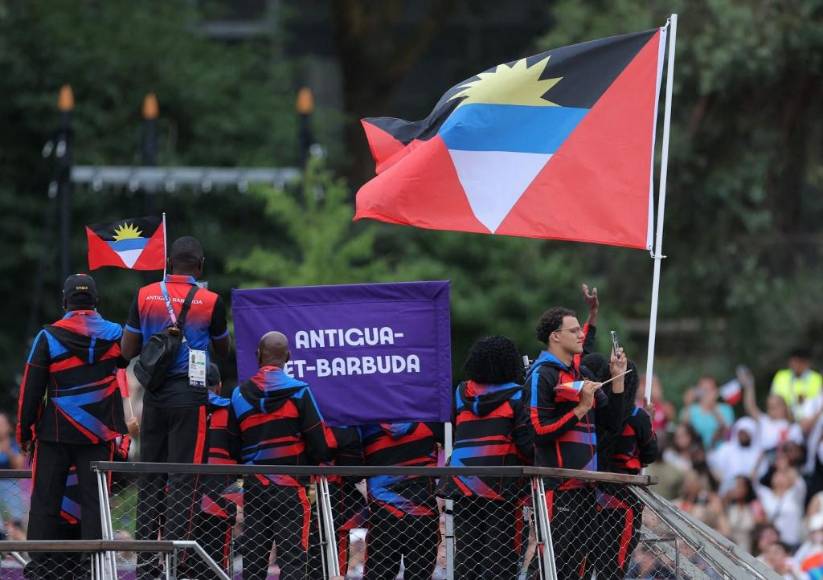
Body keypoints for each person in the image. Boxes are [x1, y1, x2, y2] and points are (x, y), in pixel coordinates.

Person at [120, 236, 230, 579]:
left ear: (168, 263)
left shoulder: (144, 295)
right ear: (201, 266)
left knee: (150, 478)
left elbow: (128, 349)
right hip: (190, 396)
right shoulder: (211, 300)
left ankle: (146, 565)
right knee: (184, 479)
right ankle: (178, 563)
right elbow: (222, 351)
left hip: (153, 397)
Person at [16, 274, 127, 579]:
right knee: (95, 504)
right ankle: (90, 569)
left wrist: (24, 434)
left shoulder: (48, 337)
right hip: (98, 435)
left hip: (55, 433)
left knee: (45, 502)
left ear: (64, 302)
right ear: (97, 302)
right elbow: (127, 362)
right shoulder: (116, 335)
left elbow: (31, 391)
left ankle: (40, 569)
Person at [212, 331, 337, 580]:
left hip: (255, 488)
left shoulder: (238, 394)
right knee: (294, 562)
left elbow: (232, 447)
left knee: (254, 563)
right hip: (291, 488)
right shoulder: (300, 392)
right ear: (288, 357)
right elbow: (321, 445)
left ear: (258, 356)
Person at [525, 297, 627, 579]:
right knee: (548, 568)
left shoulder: (582, 373)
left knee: (575, 569)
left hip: (585, 487)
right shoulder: (541, 374)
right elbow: (538, 432)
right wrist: (581, 408)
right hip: (556, 487)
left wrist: (617, 381)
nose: (581, 334)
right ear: (555, 336)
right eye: (574, 331)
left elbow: (612, 423)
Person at [440, 335, 532, 579]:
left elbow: (451, 428)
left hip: (461, 482)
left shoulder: (460, 392)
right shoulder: (518, 395)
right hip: (501, 485)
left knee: (467, 557)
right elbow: (526, 444)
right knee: (500, 558)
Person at [589, 357, 657, 579]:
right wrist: (650, 422)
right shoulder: (638, 417)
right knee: (614, 568)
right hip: (624, 499)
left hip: (590, 494)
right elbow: (650, 454)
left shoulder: (593, 412)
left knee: (586, 562)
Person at [359, 421, 443, 580]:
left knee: (378, 573)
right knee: (421, 573)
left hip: (383, 512)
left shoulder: (367, 427)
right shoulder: (430, 423)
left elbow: (352, 466)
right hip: (422, 510)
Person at [708, 417, 763, 495]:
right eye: (741, 433)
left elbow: (761, 473)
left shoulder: (758, 453)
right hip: (728, 489)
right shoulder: (726, 448)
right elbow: (713, 462)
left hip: (752, 491)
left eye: (746, 433)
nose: (743, 436)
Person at [680, 376, 734, 449]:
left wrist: (713, 409)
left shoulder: (725, 409)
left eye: (709, 390)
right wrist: (688, 404)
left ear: (716, 391)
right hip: (696, 453)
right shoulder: (691, 409)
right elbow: (683, 430)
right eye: (703, 390)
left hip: (720, 451)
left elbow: (728, 434)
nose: (706, 394)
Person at [770, 348, 822, 419]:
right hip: (784, 419)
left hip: (809, 421)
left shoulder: (817, 379)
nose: (794, 365)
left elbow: (818, 403)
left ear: (805, 363)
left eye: (797, 362)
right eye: (792, 361)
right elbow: (772, 399)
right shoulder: (781, 376)